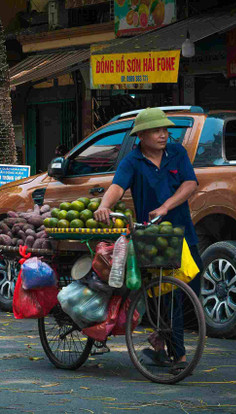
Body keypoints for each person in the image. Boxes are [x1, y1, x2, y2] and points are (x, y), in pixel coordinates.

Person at [94, 107, 204, 374]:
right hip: (152, 237)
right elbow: (117, 187)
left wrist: (166, 206)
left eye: (165, 130)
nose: (163, 134)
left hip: (181, 233)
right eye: (157, 130)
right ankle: (177, 356)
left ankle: (160, 339)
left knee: (191, 287)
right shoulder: (132, 161)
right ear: (141, 135)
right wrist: (104, 206)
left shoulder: (177, 153)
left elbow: (190, 183)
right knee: (167, 294)